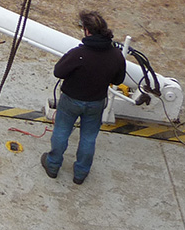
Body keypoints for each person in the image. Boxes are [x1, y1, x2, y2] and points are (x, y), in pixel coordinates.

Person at [42, 10, 126, 185]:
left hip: (71, 100)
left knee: (62, 131)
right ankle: (80, 173)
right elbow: (118, 79)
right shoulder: (116, 55)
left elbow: (58, 72)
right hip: (96, 103)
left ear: (87, 31)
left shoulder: (79, 54)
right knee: (88, 137)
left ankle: (53, 165)